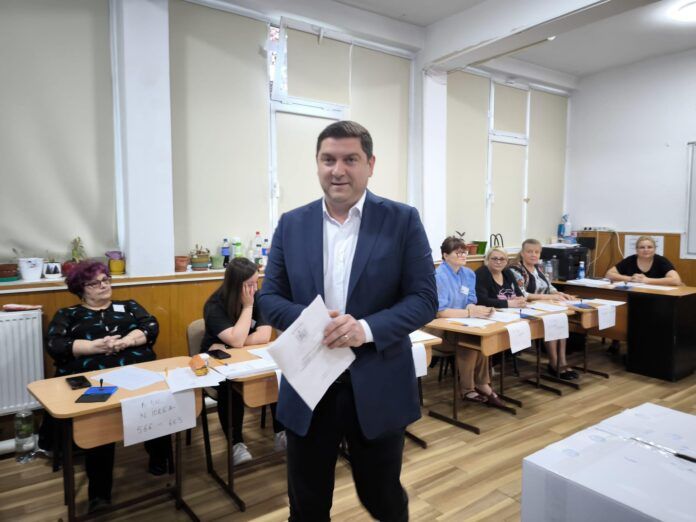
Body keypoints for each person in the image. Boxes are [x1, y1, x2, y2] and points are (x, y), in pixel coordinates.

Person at [257, 120, 437, 522]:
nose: (337, 170)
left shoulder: (402, 220)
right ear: (317, 164)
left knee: (382, 498)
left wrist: (364, 330)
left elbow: (425, 299)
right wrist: (313, 322)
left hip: (378, 381)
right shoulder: (291, 223)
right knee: (306, 505)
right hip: (309, 383)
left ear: (370, 164)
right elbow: (268, 299)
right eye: (328, 160)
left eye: (350, 159)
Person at [44, 261, 169, 512]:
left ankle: (159, 458)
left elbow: (151, 326)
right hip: (94, 379)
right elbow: (55, 344)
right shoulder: (68, 314)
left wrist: (127, 340)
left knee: (158, 397)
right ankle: (99, 493)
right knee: (98, 421)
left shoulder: (129, 306)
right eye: (94, 283)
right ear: (81, 289)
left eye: (106, 280)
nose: (103, 286)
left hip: (136, 373)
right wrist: (93, 347)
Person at [200, 257, 285, 464]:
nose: (254, 288)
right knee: (229, 387)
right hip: (218, 364)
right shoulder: (215, 304)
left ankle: (281, 433)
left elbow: (264, 336)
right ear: (235, 284)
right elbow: (238, 340)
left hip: (250, 358)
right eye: (249, 284)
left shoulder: (259, 297)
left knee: (275, 375)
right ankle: (236, 443)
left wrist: (232, 342)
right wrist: (247, 308)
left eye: (256, 282)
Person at [433, 236, 505, 407]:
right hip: (438, 328)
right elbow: (441, 312)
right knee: (468, 342)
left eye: (464, 252)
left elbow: (470, 300)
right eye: (458, 253)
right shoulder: (439, 276)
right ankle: (468, 389)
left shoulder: (469, 274)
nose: (463, 256)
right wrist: (469, 312)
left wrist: (479, 310)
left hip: (464, 323)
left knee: (481, 338)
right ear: (445, 255)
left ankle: (481, 384)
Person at [510, 239, 577, 379]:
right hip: (523, 308)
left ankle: (562, 361)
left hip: (540, 307)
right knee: (551, 319)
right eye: (529, 251)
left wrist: (560, 294)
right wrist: (549, 297)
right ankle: (553, 363)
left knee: (561, 318)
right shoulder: (516, 270)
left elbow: (549, 287)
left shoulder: (539, 268)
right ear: (522, 253)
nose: (533, 255)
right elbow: (523, 294)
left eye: (537, 252)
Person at [605, 235, 682, 286]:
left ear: (655, 249)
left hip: (657, 297)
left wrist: (647, 280)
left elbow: (676, 280)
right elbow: (609, 274)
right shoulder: (630, 260)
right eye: (642, 247)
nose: (646, 250)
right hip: (634, 295)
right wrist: (631, 279)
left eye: (649, 247)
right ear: (636, 250)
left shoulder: (661, 261)